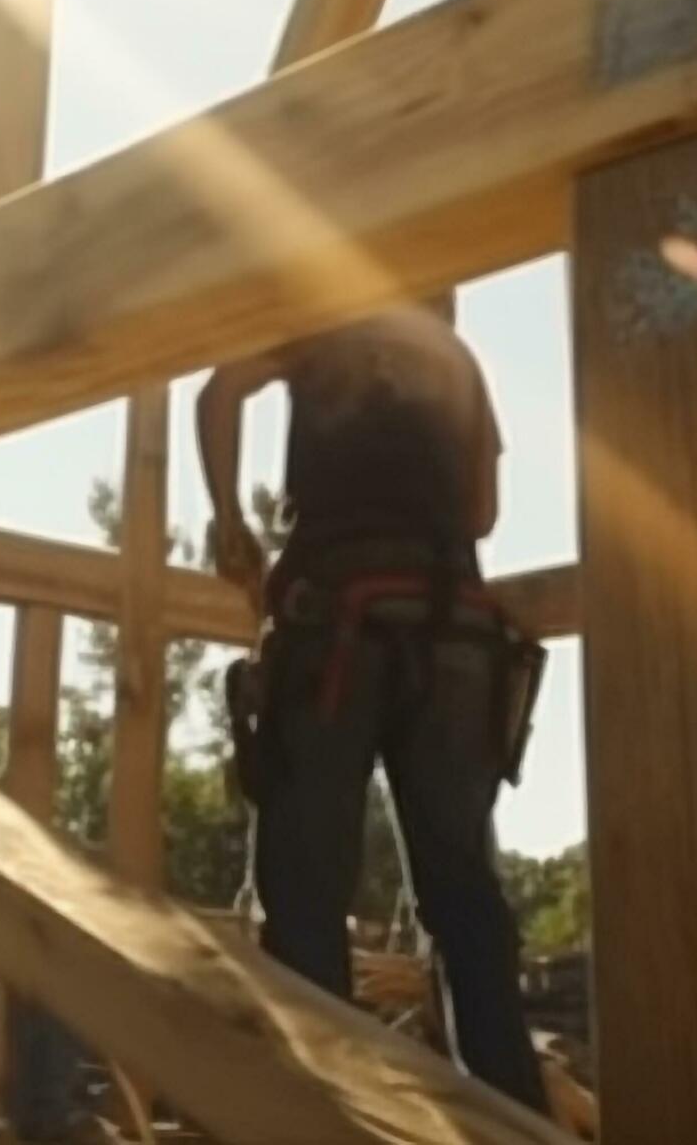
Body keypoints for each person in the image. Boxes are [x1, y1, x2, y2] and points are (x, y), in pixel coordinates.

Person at [197, 302, 547, 1112]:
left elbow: (219, 393)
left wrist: (230, 524)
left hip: (338, 627)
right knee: (465, 901)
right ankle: (511, 1120)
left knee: (308, 900)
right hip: (455, 632)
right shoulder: (454, 355)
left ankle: (322, 1119)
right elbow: (483, 512)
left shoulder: (321, 316)